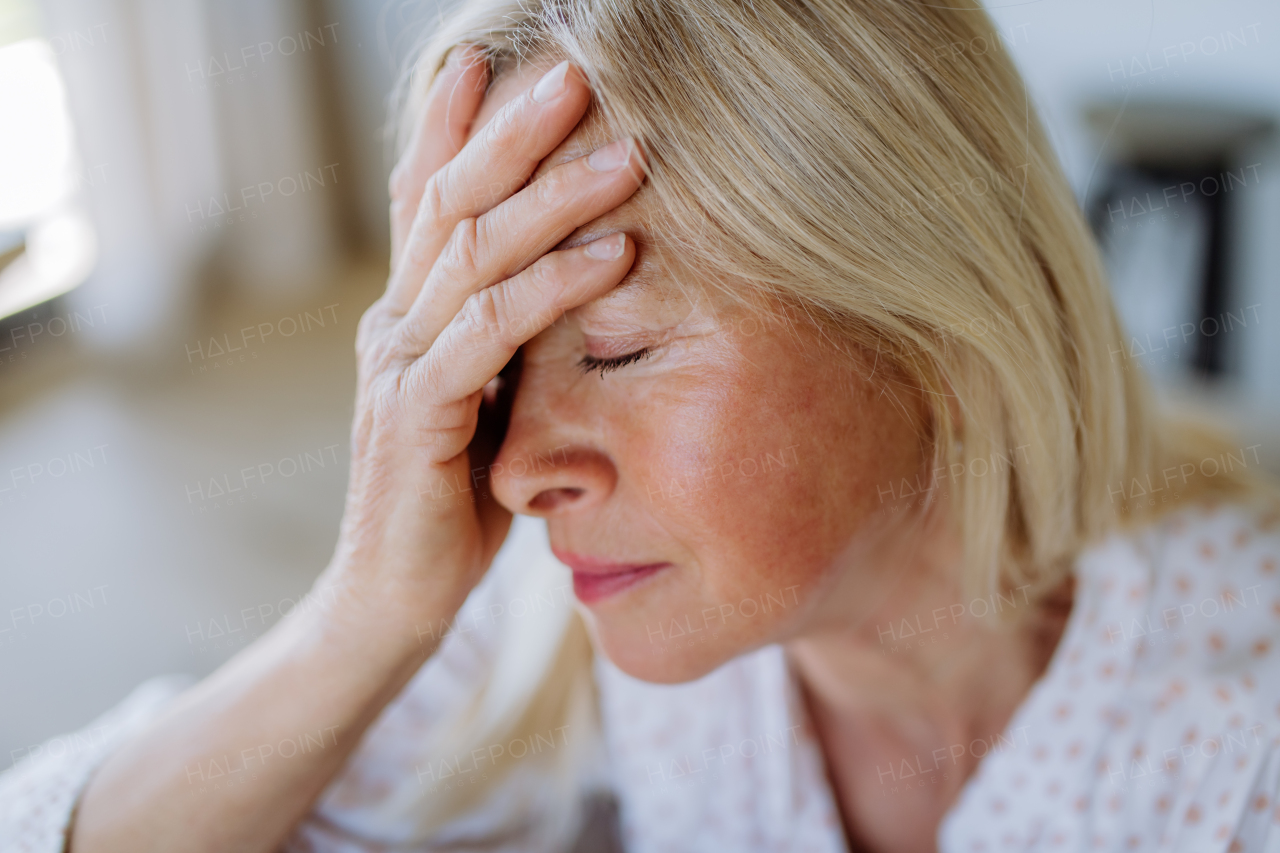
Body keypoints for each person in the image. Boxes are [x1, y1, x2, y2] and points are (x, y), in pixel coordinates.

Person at [3, 0, 1278, 851]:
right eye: (498, 374)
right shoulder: (567, 615)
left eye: (613, 349)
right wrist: (365, 616)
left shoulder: (1232, 743)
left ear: (927, 310)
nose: (513, 469)